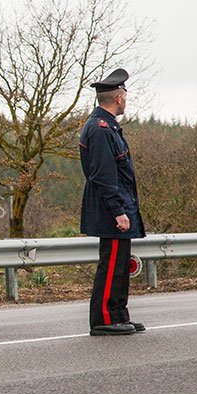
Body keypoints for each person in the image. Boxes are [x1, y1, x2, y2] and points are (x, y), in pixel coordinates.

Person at [79, 68, 146, 336]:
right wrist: (118, 210)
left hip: (119, 205)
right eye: (125, 96)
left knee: (120, 263)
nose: (126, 101)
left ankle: (118, 313)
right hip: (112, 208)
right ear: (119, 98)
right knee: (110, 265)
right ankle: (104, 318)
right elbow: (105, 175)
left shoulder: (108, 127)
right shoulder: (100, 129)